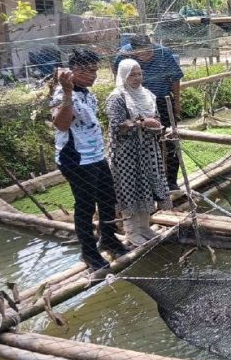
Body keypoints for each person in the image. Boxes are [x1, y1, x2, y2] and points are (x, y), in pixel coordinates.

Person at [51, 49, 128, 271]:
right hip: (76, 159)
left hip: (95, 156)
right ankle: (89, 253)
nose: (93, 75)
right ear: (73, 70)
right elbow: (61, 124)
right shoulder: (63, 94)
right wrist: (66, 92)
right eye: (87, 71)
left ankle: (109, 239)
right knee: (85, 206)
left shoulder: (86, 93)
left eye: (95, 70)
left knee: (107, 198)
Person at [106, 59, 169, 247]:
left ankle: (144, 227)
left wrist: (155, 125)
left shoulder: (147, 94)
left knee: (146, 186)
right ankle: (131, 231)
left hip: (147, 149)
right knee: (129, 188)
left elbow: (156, 118)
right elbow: (117, 127)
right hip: (126, 153)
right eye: (132, 74)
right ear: (123, 76)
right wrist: (142, 123)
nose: (137, 78)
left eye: (139, 73)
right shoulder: (117, 97)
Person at [113, 34, 184, 191]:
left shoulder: (163, 53)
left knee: (170, 140)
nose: (148, 55)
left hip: (161, 101)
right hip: (135, 104)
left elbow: (175, 78)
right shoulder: (123, 56)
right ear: (133, 51)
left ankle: (171, 181)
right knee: (143, 143)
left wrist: (177, 103)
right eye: (143, 53)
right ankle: (148, 185)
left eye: (149, 51)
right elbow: (117, 77)